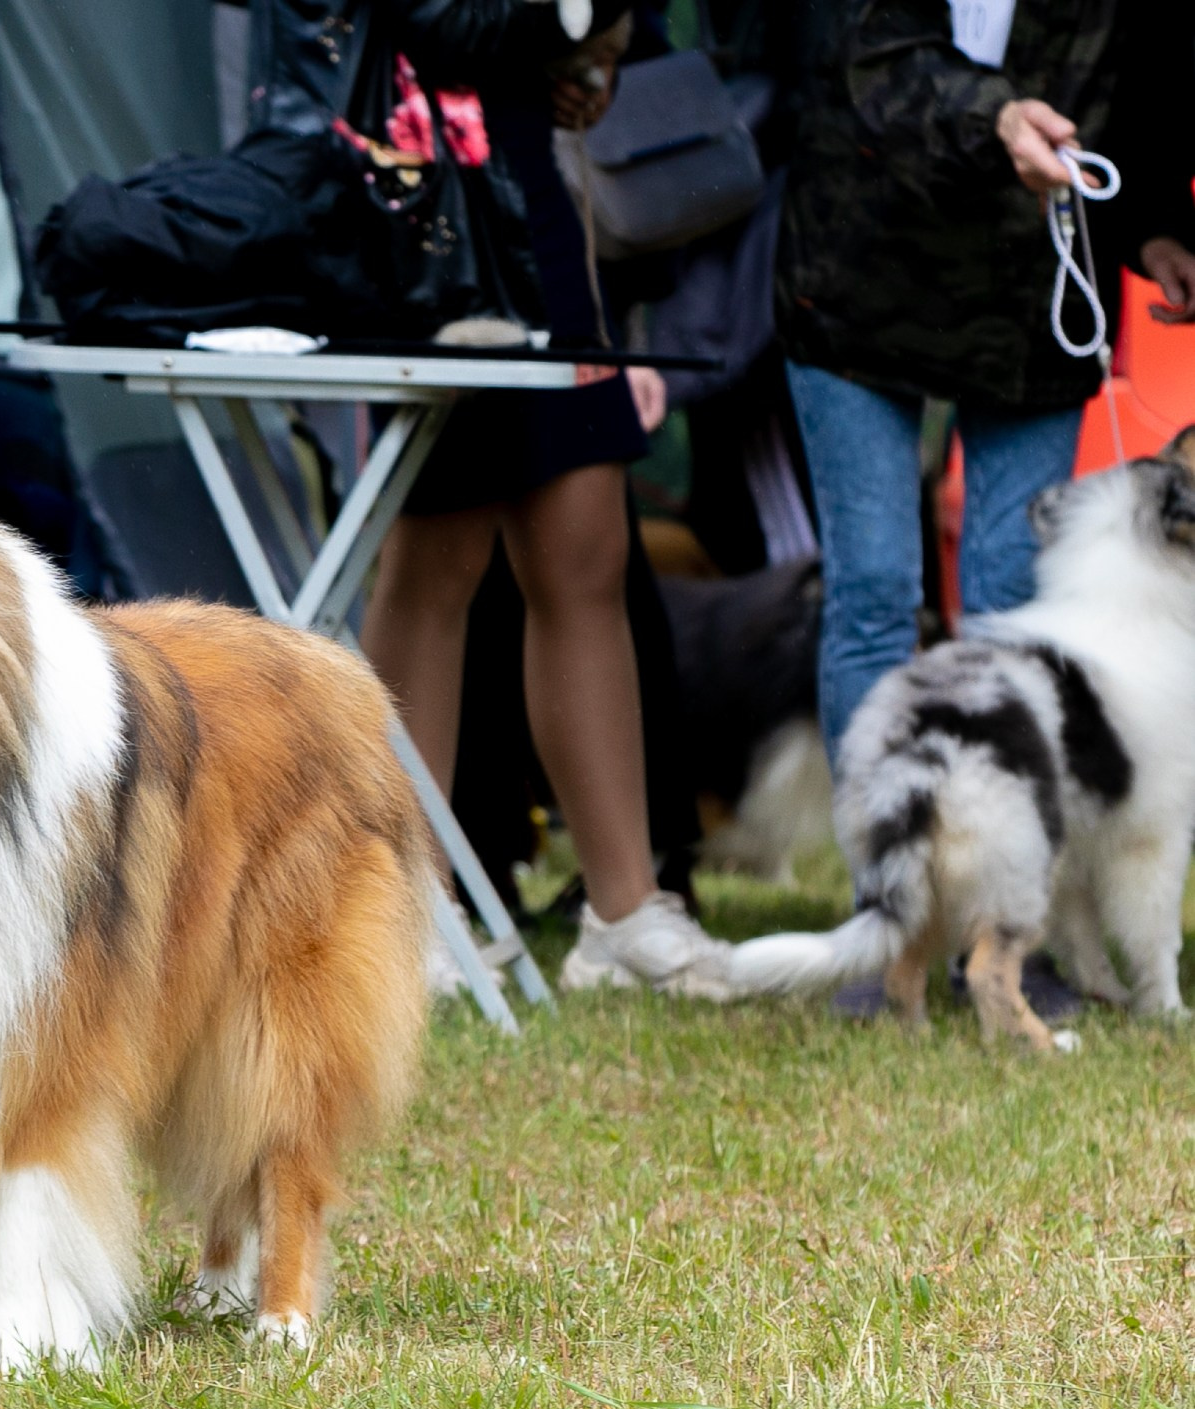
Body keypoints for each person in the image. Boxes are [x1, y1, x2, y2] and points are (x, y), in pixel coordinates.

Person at [263, 0, 739, 995]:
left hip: (532, 192)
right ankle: (405, 912)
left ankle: (623, 909)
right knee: (436, 562)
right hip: (419, 195)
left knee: (586, 549)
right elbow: (437, 24)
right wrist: (557, 20)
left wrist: (597, 53)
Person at [776, 0, 1195, 761]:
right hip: (856, 278)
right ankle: (882, 866)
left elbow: (1147, 85)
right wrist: (999, 119)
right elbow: (875, 51)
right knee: (874, 592)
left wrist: (1160, 224)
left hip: (1032, 300)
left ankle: (998, 854)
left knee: (1009, 596)